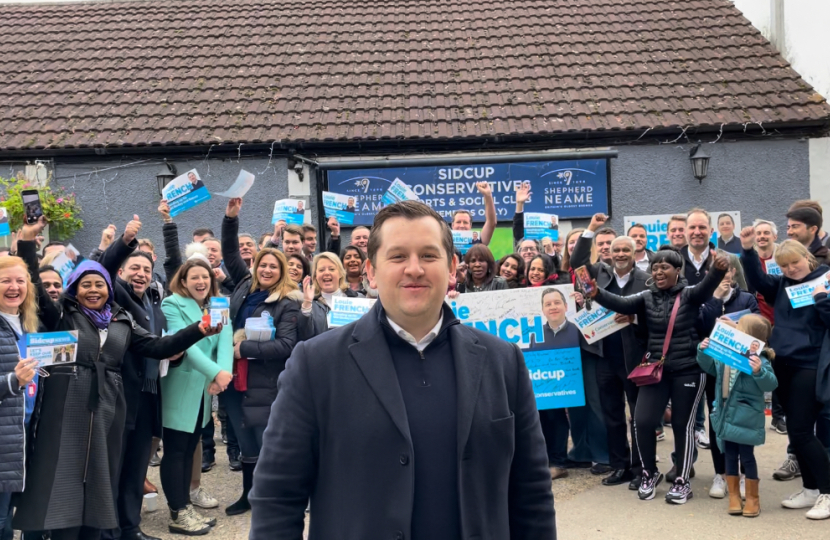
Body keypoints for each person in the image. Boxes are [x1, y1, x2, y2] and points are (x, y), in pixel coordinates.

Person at [249, 200, 555, 539]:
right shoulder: (316, 364)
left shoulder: (503, 361)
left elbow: (532, 494)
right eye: (397, 257)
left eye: (428, 255)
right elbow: (277, 496)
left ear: (452, 266)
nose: (414, 269)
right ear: (371, 272)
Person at [13, 217, 217, 540]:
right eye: (86, 285)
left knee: (102, 475)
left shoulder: (122, 321)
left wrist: (197, 330)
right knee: (65, 474)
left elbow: (158, 346)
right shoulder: (62, 316)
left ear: (109, 291)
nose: (93, 290)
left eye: (99, 285)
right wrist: (26, 241)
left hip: (110, 405)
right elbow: (35, 286)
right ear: (75, 290)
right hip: (68, 403)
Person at [585, 246, 728, 504]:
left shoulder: (690, 295)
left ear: (677, 271)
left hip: (688, 370)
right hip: (656, 370)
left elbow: (707, 287)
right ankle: (649, 473)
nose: (659, 271)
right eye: (655, 267)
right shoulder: (646, 296)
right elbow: (620, 303)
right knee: (642, 421)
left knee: (683, 426)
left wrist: (718, 269)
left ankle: (683, 480)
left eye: (665, 267)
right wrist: (596, 293)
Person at [740, 230, 830, 520]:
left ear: (808, 258)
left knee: (803, 431)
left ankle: (828, 492)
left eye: (796, 263)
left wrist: (822, 301)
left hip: (811, 364)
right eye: (785, 265)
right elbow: (755, 280)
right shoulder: (781, 285)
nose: (791, 269)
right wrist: (748, 250)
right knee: (794, 429)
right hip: (783, 363)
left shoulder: (826, 279)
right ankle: (810, 489)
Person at [221, 197, 302, 517]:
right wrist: (230, 217)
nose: (267, 269)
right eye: (263, 264)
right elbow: (229, 252)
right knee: (242, 436)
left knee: (264, 437)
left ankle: (273, 497)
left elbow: (286, 346)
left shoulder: (287, 302)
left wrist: (244, 348)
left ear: (281, 272)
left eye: (273, 266)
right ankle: (248, 495)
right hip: (233, 375)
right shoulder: (243, 284)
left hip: (264, 379)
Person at [572, 213, 650, 489]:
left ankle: (642, 468)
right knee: (612, 414)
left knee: (638, 416)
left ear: (635, 252)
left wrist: (635, 318)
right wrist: (590, 230)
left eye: (625, 250)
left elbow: (657, 314)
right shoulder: (597, 273)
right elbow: (575, 262)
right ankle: (620, 466)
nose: (619, 254)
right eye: (615, 249)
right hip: (603, 354)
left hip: (635, 356)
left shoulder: (647, 279)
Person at [160, 257, 234, 535]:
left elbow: (225, 340)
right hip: (180, 389)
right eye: (194, 277)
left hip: (203, 390)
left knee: (189, 449)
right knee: (176, 452)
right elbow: (184, 344)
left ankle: (184, 505)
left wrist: (222, 375)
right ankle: (177, 513)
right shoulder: (172, 304)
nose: (201, 282)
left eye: (205, 277)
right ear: (183, 281)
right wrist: (216, 372)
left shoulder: (219, 305)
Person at [697, 314, 778, 517]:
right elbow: (709, 367)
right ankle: (734, 496)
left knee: (747, 457)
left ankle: (752, 499)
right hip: (726, 412)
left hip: (746, 415)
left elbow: (771, 384)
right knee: (730, 455)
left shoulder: (761, 359)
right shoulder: (726, 355)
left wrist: (759, 371)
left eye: (738, 328)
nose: (734, 329)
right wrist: (704, 350)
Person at [697, 254, 760, 499]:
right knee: (717, 418)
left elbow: (758, 329)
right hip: (715, 368)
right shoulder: (703, 298)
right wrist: (714, 301)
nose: (722, 277)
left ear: (734, 273)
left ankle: (745, 473)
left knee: (742, 417)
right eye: (716, 273)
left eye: (726, 272)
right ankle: (721, 473)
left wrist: (737, 328)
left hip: (741, 370)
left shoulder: (746, 298)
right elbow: (699, 327)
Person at [0, 256, 39, 540]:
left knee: (9, 517)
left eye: (20, 281)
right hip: (3, 438)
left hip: (23, 433)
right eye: (5, 281)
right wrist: (14, 381)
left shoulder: (28, 324)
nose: (14, 287)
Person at [531, 287, 581, 481]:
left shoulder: (576, 331)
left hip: (569, 388)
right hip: (542, 386)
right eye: (548, 304)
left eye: (557, 303)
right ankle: (546, 461)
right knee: (541, 419)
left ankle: (559, 462)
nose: (553, 307)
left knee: (558, 418)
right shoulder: (535, 333)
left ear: (566, 306)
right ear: (542, 310)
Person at [299, 252, 363, 339]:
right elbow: (305, 336)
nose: (326, 273)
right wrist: (307, 303)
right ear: (315, 276)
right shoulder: (309, 304)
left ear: (340, 273)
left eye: (332, 269)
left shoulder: (359, 299)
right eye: (321, 270)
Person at [451, 181, 496, 245]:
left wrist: (488, 195)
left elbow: (491, 222)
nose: (462, 225)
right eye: (458, 222)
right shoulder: (445, 242)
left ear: (470, 225)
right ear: (452, 225)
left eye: (465, 222)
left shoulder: (476, 240)